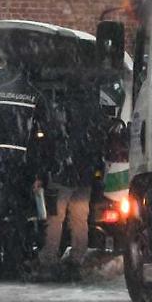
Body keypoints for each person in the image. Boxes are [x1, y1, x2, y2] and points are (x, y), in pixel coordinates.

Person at [0, 47, 47, 280]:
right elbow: (42, 134)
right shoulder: (34, 94)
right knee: (18, 216)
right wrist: (37, 169)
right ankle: (15, 262)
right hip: (23, 163)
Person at [37, 77, 106, 279]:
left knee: (55, 217)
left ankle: (49, 258)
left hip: (63, 171)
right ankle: (77, 257)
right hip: (84, 173)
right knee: (79, 218)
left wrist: (47, 167)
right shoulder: (95, 111)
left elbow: (50, 138)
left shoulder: (61, 110)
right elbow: (99, 140)